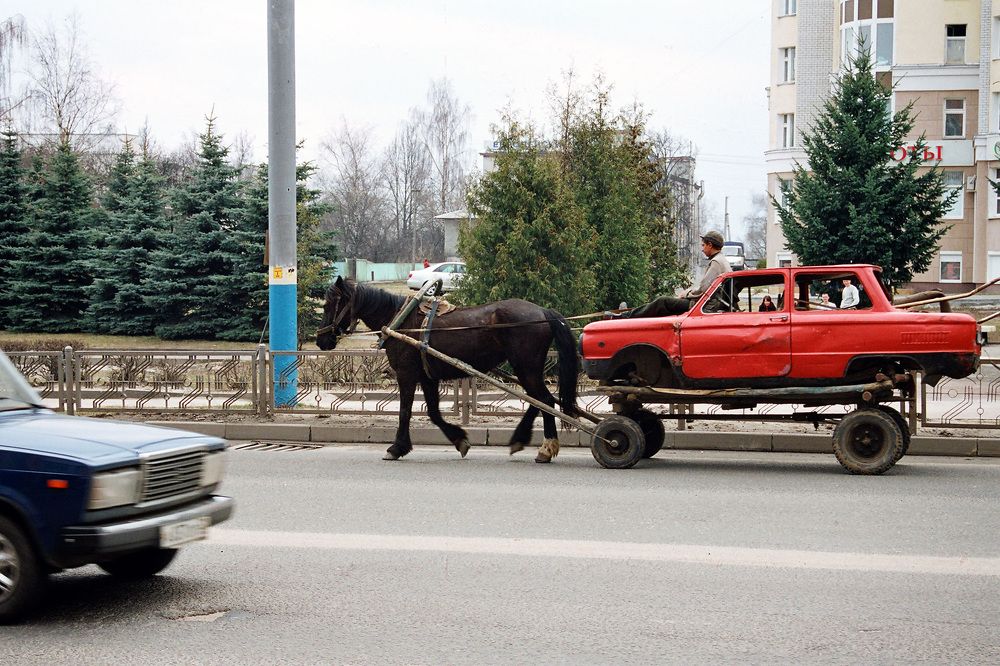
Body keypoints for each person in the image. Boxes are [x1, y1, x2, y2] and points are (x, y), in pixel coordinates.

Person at [613, 231, 732, 319]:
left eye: (703, 245)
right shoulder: (722, 260)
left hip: (705, 306)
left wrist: (686, 294)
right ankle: (628, 314)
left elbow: (703, 289)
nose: (702, 249)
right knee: (664, 306)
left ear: (710, 245)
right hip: (711, 304)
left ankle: (624, 317)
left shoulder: (716, 262)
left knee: (662, 301)